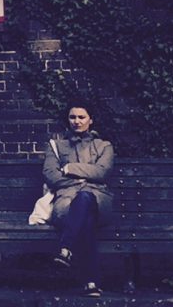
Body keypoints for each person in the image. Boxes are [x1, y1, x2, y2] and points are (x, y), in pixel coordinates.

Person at [42, 102, 114, 299]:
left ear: (90, 120)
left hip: (99, 201)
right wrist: (82, 177)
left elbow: (102, 172)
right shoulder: (56, 146)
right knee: (85, 217)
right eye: (73, 117)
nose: (77, 121)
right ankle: (92, 283)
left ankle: (66, 248)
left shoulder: (103, 146)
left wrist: (69, 168)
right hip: (66, 201)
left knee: (86, 199)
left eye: (81, 117)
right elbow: (50, 175)